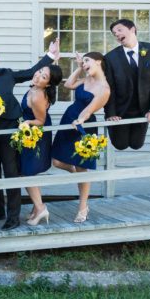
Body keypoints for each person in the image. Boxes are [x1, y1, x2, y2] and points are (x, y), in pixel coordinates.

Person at [0, 39, 60, 231]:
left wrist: (49, 56)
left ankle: (13, 216)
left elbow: (30, 72)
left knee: (11, 173)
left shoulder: (7, 74)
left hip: (10, 129)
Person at [51, 52, 110, 223]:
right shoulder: (87, 80)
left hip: (84, 125)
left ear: (98, 61)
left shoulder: (104, 88)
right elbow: (69, 85)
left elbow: (89, 109)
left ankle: (83, 207)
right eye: (83, 62)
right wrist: (78, 67)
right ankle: (75, 172)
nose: (84, 64)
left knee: (82, 168)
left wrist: (81, 120)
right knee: (56, 161)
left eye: (87, 61)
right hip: (68, 119)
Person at [104, 18, 150, 150]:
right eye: (114, 34)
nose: (117, 35)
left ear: (132, 29)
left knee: (137, 144)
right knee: (120, 145)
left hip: (143, 110)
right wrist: (111, 113)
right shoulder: (110, 57)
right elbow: (110, 88)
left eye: (119, 30)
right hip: (120, 111)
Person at [20, 65, 63, 226]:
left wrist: (27, 122)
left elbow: (41, 121)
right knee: (26, 170)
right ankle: (35, 207)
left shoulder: (38, 95)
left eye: (44, 77)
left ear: (49, 84)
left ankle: (40, 208)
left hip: (36, 134)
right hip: (29, 132)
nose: (38, 76)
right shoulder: (33, 87)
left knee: (26, 172)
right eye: (39, 72)